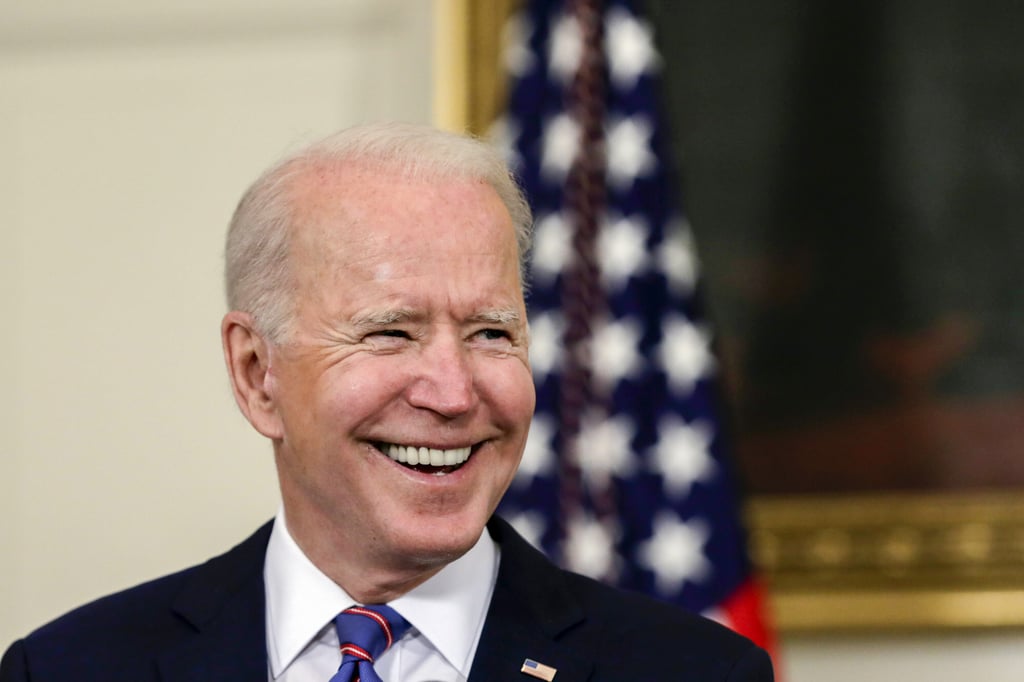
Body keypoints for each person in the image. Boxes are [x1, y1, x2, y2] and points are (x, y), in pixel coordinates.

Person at [0, 122, 773, 681]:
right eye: (391, 333)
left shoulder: (695, 674)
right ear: (255, 372)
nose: (453, 391)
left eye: (491, 333)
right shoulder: (72, 668)